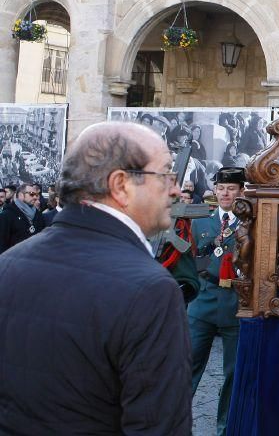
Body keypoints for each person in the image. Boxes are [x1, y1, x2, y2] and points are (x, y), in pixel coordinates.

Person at [0, 122, 191, 433]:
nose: (176, 189)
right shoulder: (151, 290)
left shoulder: (7, 265)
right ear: (120, 185)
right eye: (166, 173)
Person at [188, 167, 245, 436]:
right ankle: (175, 424)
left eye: (231, 188)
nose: (225, 193)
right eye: (221, 188)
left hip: (235, 304)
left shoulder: (250, 224)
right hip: (203, 303)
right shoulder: (200, 223)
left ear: (241, 192)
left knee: (233, 375)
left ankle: (225, 428)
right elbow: (191, 262)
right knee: (187, 368)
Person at [0, 183, 46, 253]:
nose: (35, 197)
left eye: (36, 195)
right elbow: (2, 244)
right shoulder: (7, 215)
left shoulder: (38, 215)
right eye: (31, 194)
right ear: (21, 195)